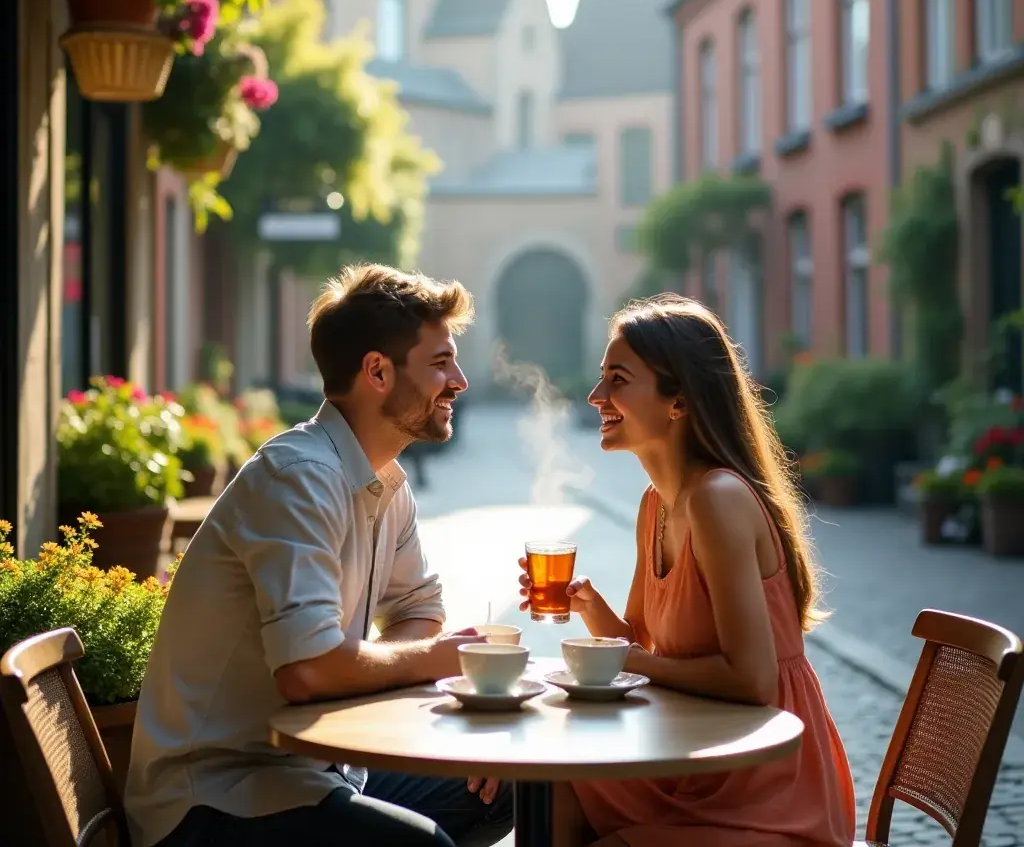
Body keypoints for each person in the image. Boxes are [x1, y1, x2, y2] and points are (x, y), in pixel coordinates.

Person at [126, 264, 513, 847]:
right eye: (439, 363)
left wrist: (369, 666)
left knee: (506, 785)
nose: (459, 380)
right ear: (377, 372)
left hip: (320, 768)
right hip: (213, 797)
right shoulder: (300, 478)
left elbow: (418, 611)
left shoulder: (387, 482)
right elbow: (307, 671)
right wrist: (431, 660)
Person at [518, 294, 856, 847]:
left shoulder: (716, 499)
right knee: (554, 785)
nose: (596, 395)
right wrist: (589, 608)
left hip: (767, 787)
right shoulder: (657, 504)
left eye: (618, 379)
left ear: (678, 400)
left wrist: (632, 659)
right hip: (701, 767)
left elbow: (752, 681)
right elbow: (640, 647)